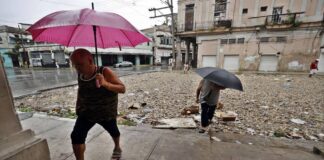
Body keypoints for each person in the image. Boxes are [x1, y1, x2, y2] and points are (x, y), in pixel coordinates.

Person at [70, 48, 126, 160]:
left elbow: (122, 88)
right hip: (86, 112)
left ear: (90, 61)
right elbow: (81, 90)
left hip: (106, 112)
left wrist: (105, 83)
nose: (77, 68)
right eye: (75, 65)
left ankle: (117, 147)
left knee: (113, 131)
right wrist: (78, 104)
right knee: (76, 136)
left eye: (80, 64)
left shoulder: (105, 71)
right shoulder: (80, 74)